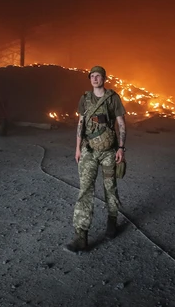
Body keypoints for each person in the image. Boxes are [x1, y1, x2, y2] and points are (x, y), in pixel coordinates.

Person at [65, 65, 127, 253]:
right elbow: (80, 124)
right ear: (89, 79)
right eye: (92, 76)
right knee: (85, 191)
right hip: (89, 151)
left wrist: (121, 149)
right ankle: (81, 236)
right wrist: (77, 148)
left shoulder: (113, 98)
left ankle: (112, 222)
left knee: (110, 189)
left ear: (104, 78)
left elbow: (121, 124)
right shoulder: (85, 99)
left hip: (109, 152)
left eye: (98, 76)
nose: (95, 78)